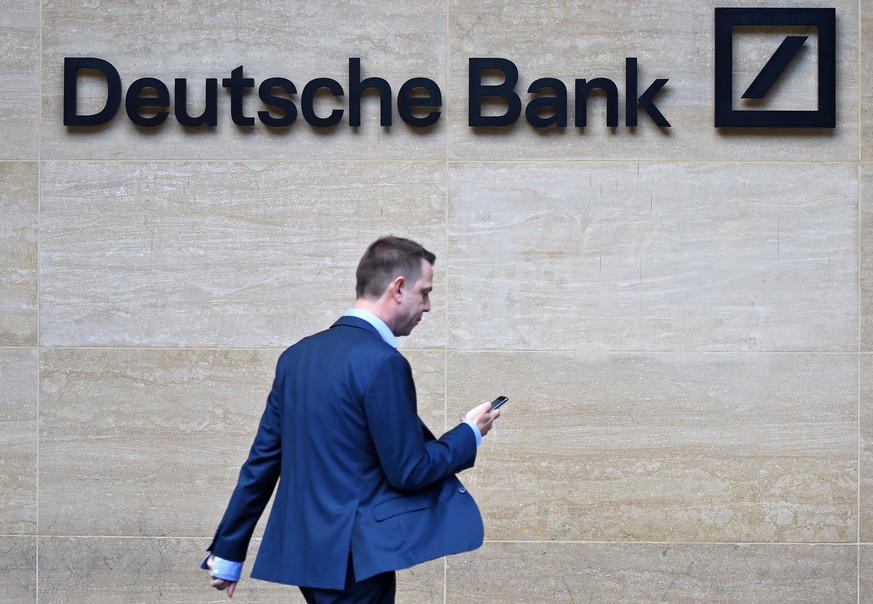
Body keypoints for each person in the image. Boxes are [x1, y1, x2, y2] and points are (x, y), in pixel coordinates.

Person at [202, 235, 501, 602]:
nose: (427, 306)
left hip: (309, 558)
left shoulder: (297, 357)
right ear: (398, 288)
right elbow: (408, 470)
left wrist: (230, 550)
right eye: (425, 292)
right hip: (354, 560)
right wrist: (469, 434)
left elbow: (263, 461)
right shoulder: (383, 363)